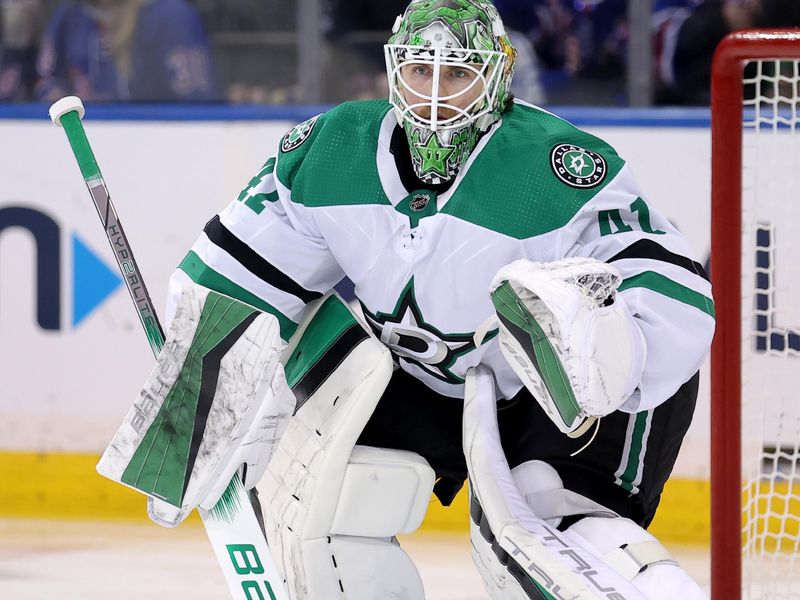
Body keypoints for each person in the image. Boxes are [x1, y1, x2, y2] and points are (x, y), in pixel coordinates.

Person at [117, 1, 714, 597]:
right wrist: (186, 422)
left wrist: (608, 356)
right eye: (419, 70)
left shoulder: (554, 170)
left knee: (552, 536)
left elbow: (669, 287)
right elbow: (234, 284)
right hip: (425, 376)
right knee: (323, 516)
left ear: (496, 77)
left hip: (566, 395)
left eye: (457, 73)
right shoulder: (332, 151)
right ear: (393, 70)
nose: (434, 94)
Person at [36, 0, 219, 102]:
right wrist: (58, 98)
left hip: (151, 145)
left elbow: (199, 101)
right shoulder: (70, 14)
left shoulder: (170, 15)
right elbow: (47, 80)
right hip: (87, 139)